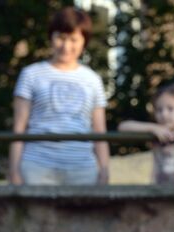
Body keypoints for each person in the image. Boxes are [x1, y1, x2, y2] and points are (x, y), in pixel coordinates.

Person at [8, 6, 109, 185]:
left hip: (82, 168)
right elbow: (19, 128)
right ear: (51, 38)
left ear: (83, 41)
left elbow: (99, 132)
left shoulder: (93, 79)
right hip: (37, 166)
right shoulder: (31, 74)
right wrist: (14, 170)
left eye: (73, 39)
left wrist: (104, 170)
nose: (66, 46)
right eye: (61, 38)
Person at [118, 84, 174, 184]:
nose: (164, 114)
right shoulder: (157, 134)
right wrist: (152, 128)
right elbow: (123, 127)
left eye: (170, 109)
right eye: (159, 110)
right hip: (159, 192)